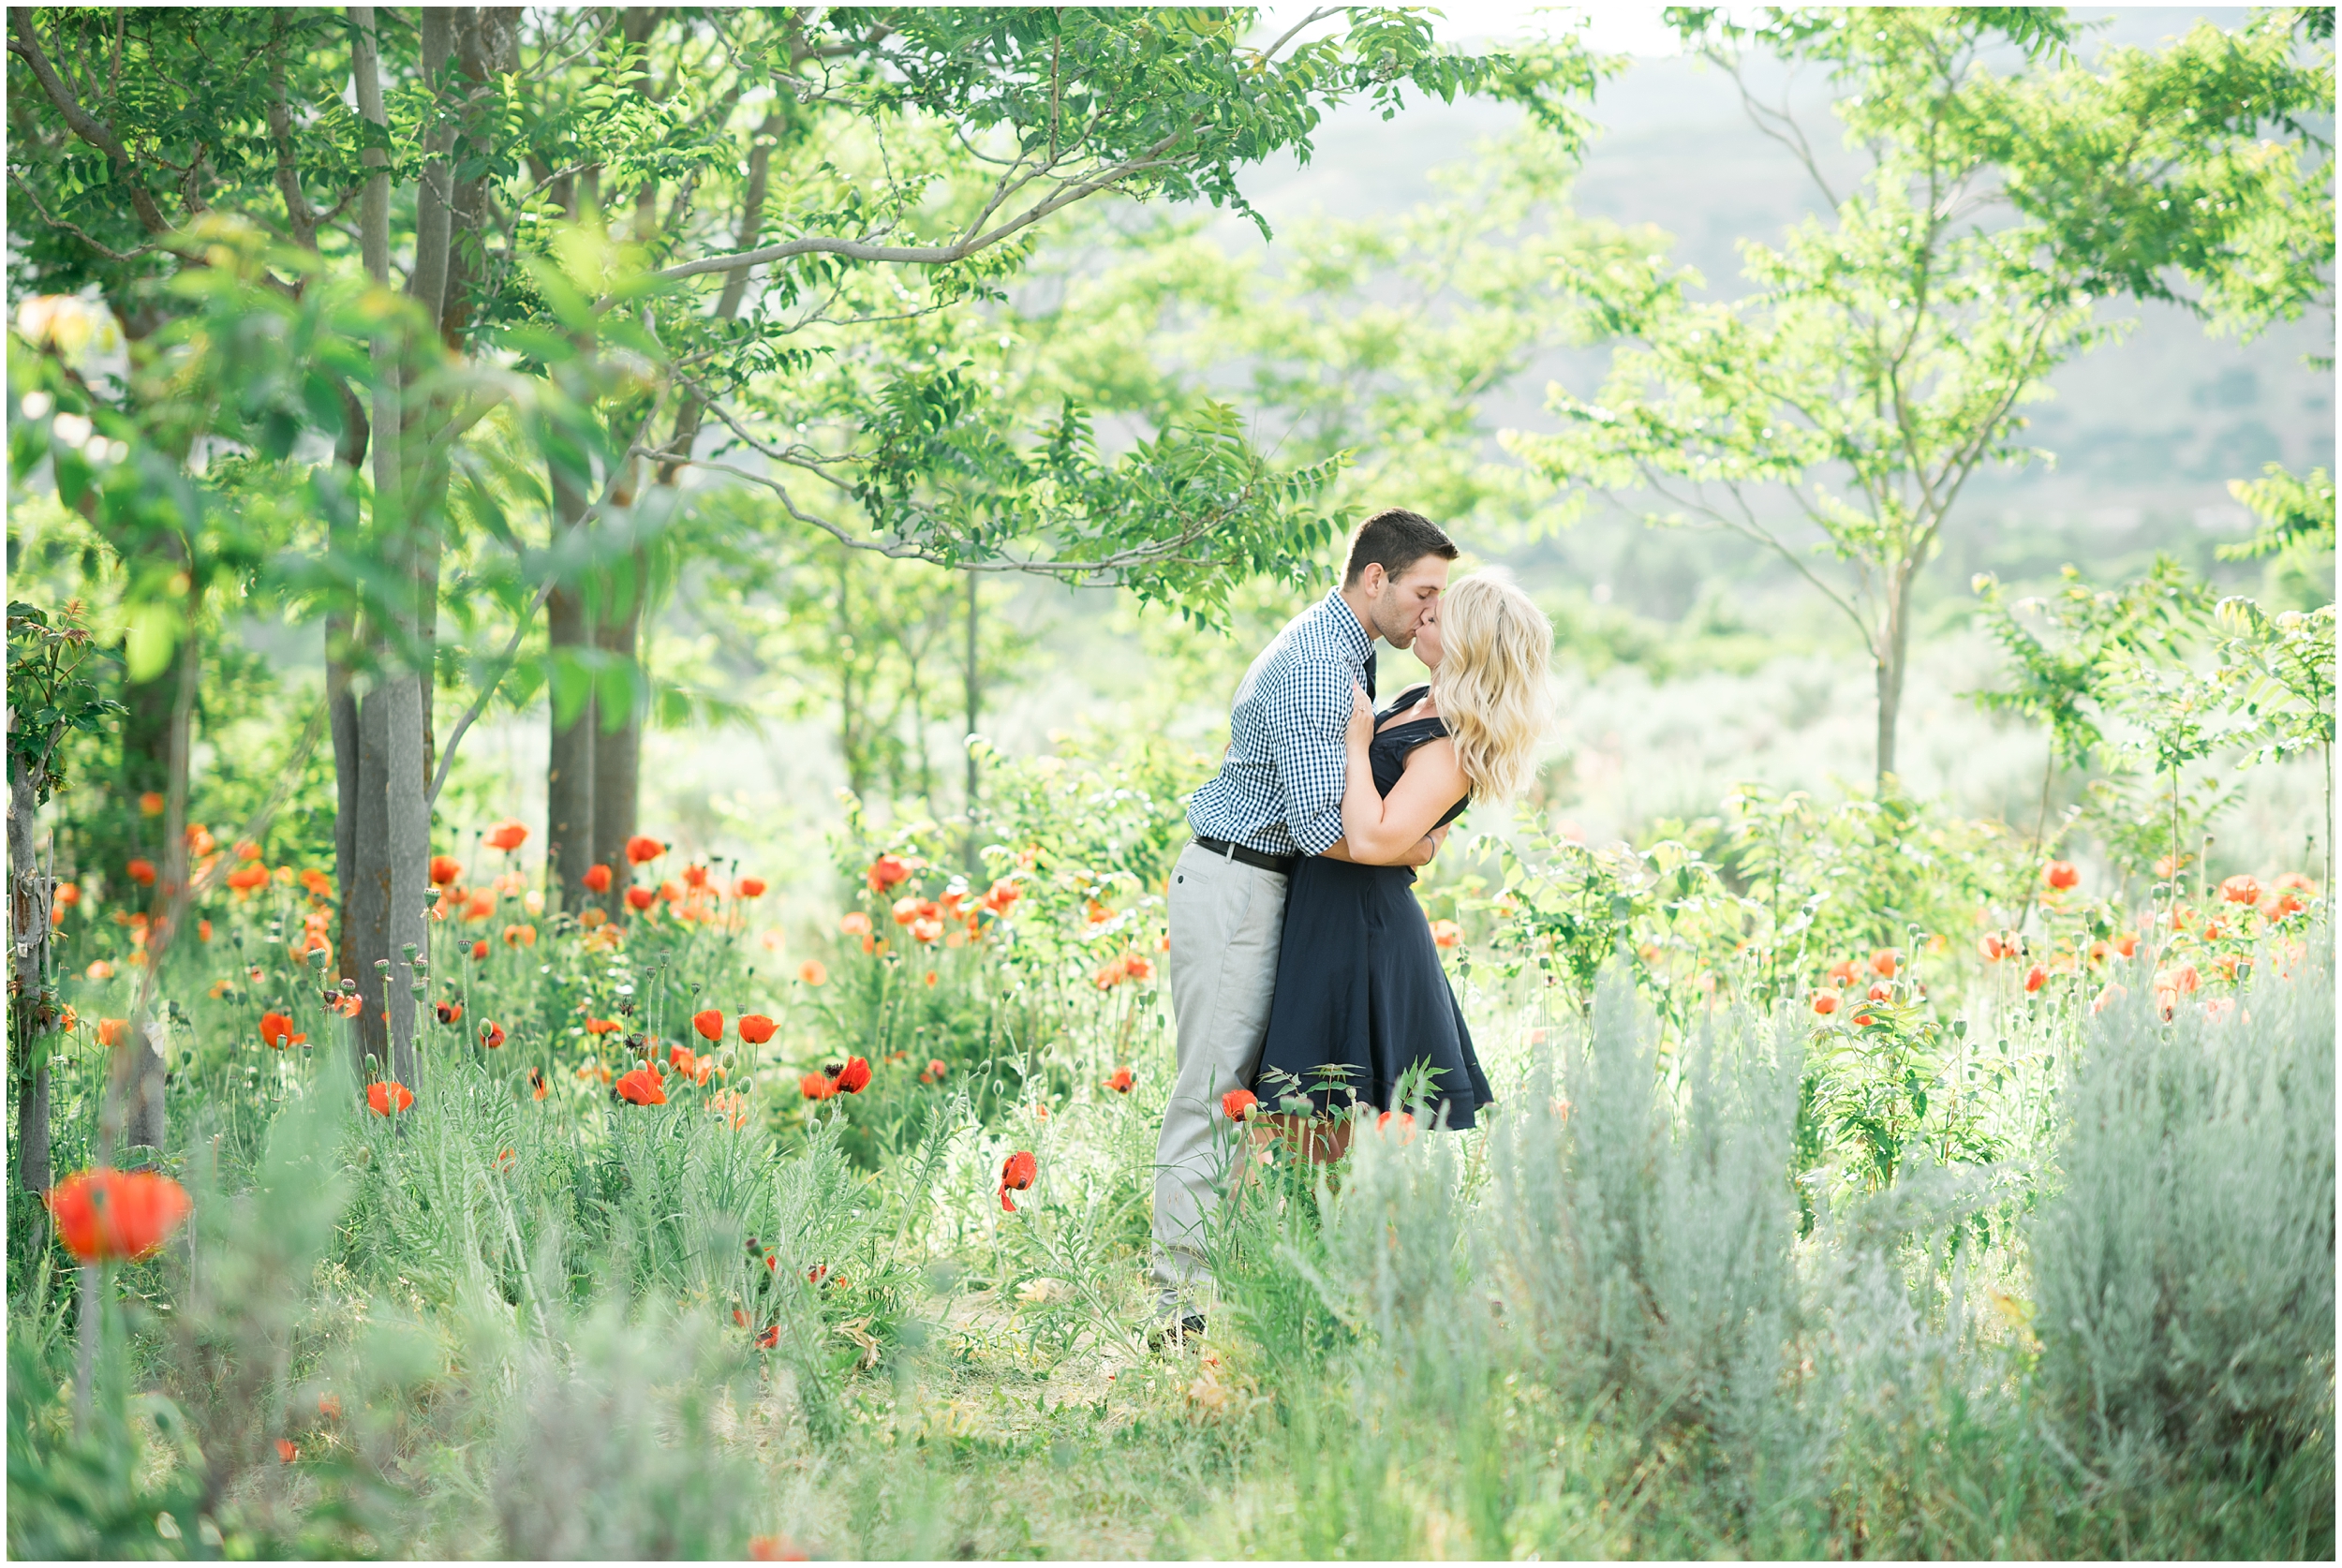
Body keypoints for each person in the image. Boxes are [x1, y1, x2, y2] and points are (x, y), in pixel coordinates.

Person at [1152, 508, 1458, 1343]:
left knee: (1253, 1105)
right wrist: (1419, 844)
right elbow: (1327, 826)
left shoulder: (1344, 647)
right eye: (1423, 594)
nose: (1431, 612)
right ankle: (1178, 1309)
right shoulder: (1321, 664)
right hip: (1239, 884)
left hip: (1270, 891)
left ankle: (1244, 1294)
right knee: (1212, 1098)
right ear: (1375, 579)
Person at [1249, 571, 1553, 1152]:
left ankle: (1361, 1245)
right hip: (1328, 912)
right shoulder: (1417, 703)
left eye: (1437, 619)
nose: (1422, 618)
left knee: (1325, 1139)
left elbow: (1368, 840)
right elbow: (1391, 834)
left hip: (1359, 932)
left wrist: (1357, 748)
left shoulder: (1446, 746)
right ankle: (1320, 1243)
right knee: (1299, 1131)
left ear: (1467, 646)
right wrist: (1417, 844)